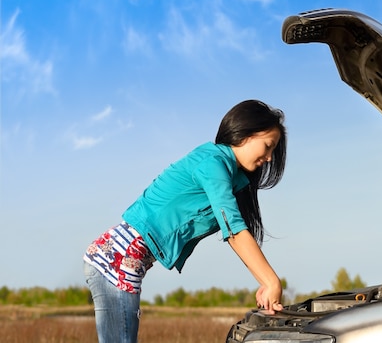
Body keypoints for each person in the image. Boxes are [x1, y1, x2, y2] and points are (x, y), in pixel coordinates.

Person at [83, 99, 287, 343]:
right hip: (115, 260)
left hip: (124, 262)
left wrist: (264, 282)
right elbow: (233, 230)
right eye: (268, 146)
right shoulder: (212, 163)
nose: (269, 157)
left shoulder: (228, 175)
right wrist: (270, 281)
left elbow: (236, 232)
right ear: (245, 133)